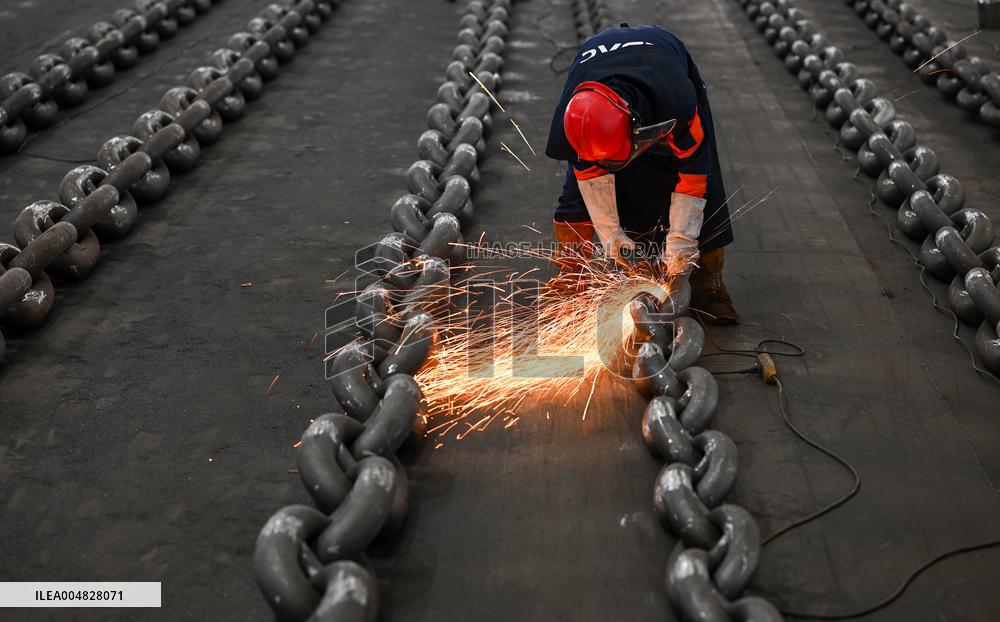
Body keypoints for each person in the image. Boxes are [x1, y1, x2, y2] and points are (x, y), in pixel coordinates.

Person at [544, 23, 739, 324]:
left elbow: (693, 177)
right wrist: (612, 237)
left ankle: (709, 280)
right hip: (599, 89)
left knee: (707, 181)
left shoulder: (677, 103)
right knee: (574, 196)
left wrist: (681, 249)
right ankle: (572, 273)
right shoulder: (572, 121)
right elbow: (588, 178)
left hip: (661, 67)